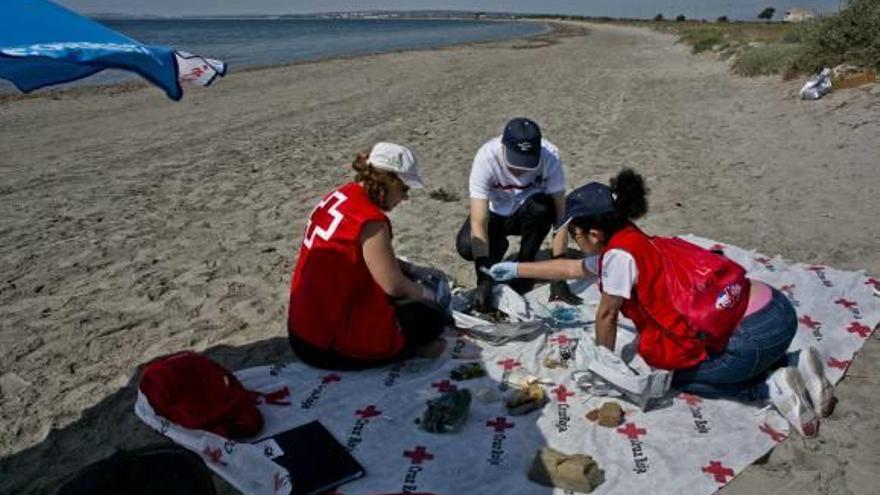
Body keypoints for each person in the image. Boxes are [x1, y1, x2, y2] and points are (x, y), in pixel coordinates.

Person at [487, 169, 836, 437]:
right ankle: (796, 362)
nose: (572, 240)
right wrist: (518, 267)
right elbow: (572, 266)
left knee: (675, 378)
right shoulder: (635, 240)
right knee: (717, 346)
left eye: (574, 233)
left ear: (593, 233)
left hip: (752, 340)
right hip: (778, 310)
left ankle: (766, 386)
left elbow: (607, 315)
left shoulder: (618, 259)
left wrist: (605, 367)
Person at [287, 143, 448, 370]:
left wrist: (411, 269)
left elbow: (363, 257)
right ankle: (411, 349)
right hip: (325, 344)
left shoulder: (340, 195)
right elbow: (394, 286)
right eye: (404, 190)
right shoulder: (370, 220)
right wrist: (428, 295)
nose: (404, 198)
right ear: (390, 181)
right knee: (429, 319)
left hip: (301, 329)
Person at [456, 117, 581, 311]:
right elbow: (478, 221)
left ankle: (526, 264)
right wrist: (482, 279)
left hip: (529, 211)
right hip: (495, 212)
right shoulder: (486, 157)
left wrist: (558, 275)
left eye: (527, 163)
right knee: (466, 246)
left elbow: (561, 219)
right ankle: (493, 258)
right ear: (503, 147)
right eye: (515, 162)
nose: (521, 170)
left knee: (543, 209)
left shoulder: (551, 156)